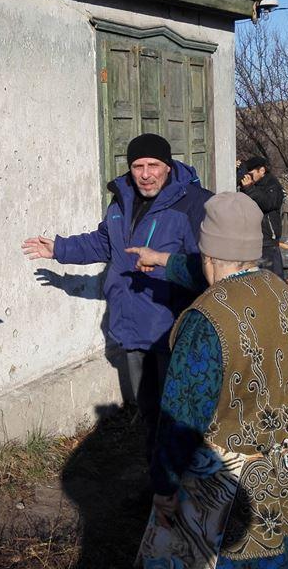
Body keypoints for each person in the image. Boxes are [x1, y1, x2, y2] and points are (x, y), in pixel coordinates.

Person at [127, 192, 288, 569]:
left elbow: (181, 419)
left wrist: (163, 488)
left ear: (207, 253)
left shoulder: (204, 321)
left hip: (230, 485)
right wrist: (162, 260)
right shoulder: (279, 290)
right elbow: (216, 272)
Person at [22, 133, 211, 458]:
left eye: (153, 165)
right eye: (138, 166)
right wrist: (59, 249)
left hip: (174, 330)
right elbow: (104, 243)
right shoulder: (121, 200)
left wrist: (163, 264)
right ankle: (157, 480)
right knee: (149, 410)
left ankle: (187, 486)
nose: (146, 173)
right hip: (134, 326)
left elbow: (208, 268)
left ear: (168, 166)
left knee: (181, 416)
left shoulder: (194, 203)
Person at [238, 156, 286, 279]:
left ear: (262, 170)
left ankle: (279, 297)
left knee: (273, 275)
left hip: (268, 239)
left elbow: (268, 203)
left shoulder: (272, 185)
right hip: (252, 237)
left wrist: (249, 189)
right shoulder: (252, 186)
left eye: (251, 173)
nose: (247, 177)